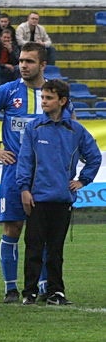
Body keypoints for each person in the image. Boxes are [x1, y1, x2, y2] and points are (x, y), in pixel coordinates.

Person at [0, 42, 59, 303]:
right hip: (14, 173)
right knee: (12, 227)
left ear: (42, 65)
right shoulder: (8, 90)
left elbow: (71, 125)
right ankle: (11, 288)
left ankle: (44, 287)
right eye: (21, 60)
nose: (23, 65)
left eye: (29, 61)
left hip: (44, 175)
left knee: (44, 232)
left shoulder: (54, 93)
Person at [16, 79, 100, 306]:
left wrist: (83, 181)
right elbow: (25, 161)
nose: (43, 101)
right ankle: (30, 292)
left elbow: (94, 157)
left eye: (49, 98)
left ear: (62, 101)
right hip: (37, 199)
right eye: (42, 97)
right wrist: (24, 188)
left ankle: (56, 292)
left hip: (62, 200)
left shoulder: (76, 130)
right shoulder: (34, 127)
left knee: (55, 250)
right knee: (33, 248)